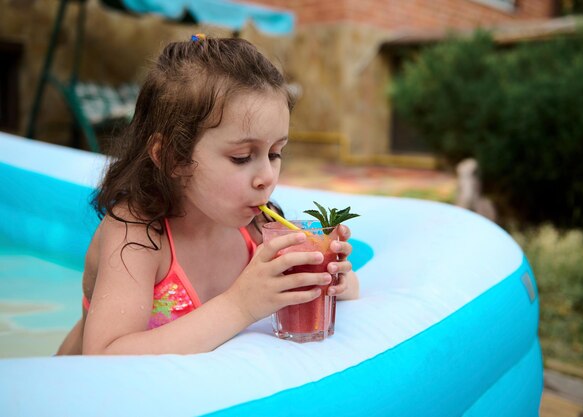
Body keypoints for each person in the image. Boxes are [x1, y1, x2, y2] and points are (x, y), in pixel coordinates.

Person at [56, 36, 359, 355]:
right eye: (242, 157)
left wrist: (334, 281)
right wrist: (240, 305)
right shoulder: (138, 234)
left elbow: (349, 290)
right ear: (172, 157)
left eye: (275, 153)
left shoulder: (256, 230)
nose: (267, 177)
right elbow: (103, 356)